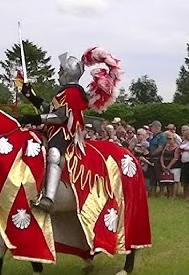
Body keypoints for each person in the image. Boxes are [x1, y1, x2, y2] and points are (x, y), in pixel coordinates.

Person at [20, 47, 121, 212]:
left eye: (61, 70)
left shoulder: (73, 93)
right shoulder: (63, 92)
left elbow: (60, 117)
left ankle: (49, 198)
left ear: (68, 73)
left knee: (54, 154)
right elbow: (49, 110)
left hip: (65, 132)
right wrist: (30, 96)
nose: (59, 73)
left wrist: (34, 118)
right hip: (52, 130)